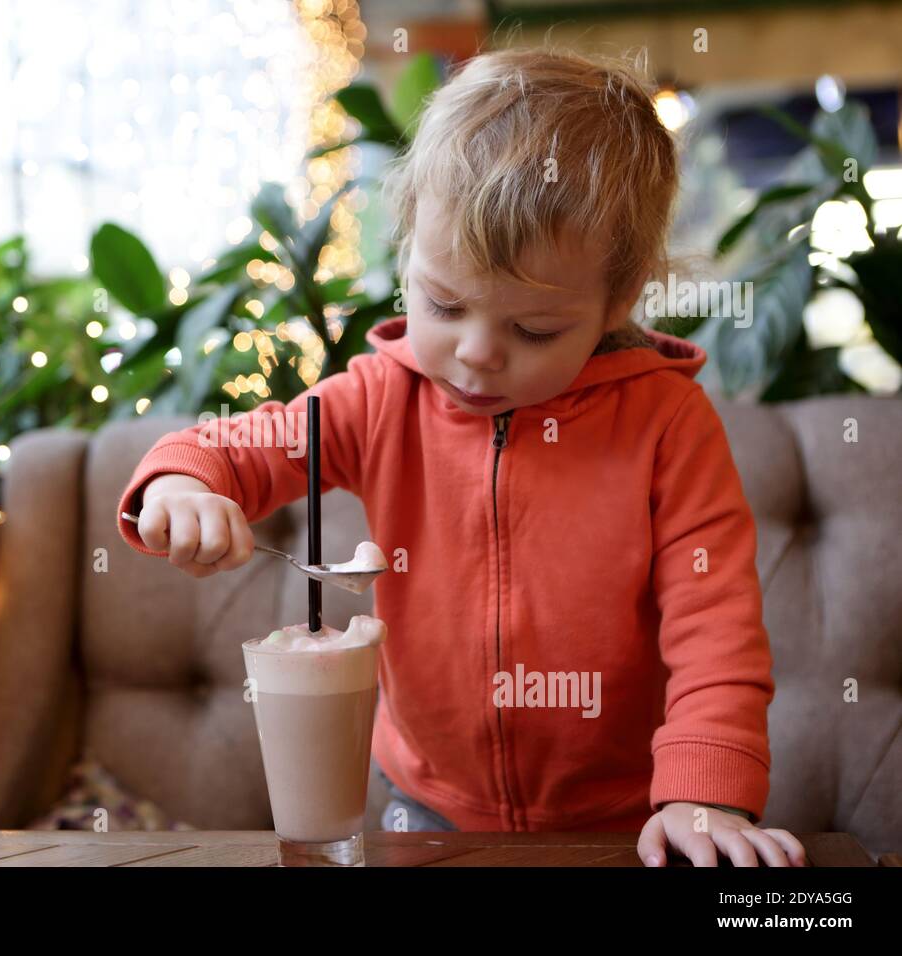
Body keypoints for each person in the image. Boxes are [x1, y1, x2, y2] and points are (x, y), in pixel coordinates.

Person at [116, 47, 805, 867]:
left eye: (534, 330)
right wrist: (183, 482)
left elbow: (716, 625)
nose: (478, 353)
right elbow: (234, 449)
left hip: (625, 818)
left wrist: (704, 793)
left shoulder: (667, 423)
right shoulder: (378, 398)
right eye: (444, 304)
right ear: (407, 251)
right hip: (427, 808)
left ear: (616, 302)